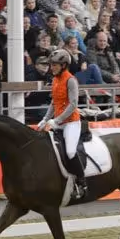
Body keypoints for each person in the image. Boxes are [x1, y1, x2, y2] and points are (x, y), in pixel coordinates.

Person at [37, 49, 87, 199]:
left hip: (71, 122)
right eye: (51, 65)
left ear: (63, 65)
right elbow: (54, 102)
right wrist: (45, 119)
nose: (51, 67)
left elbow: (73, 104)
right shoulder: (55, 80)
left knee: (70, 152)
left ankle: (82, 182)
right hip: (57, 121)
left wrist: (56, 121)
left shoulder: (71, 80)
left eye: (54, 65)